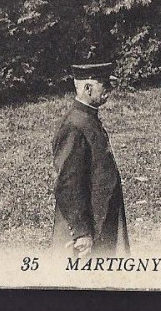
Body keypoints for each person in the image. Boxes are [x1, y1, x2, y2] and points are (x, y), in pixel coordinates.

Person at [51, 62, 130, 258]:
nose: (109, 89)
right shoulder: (74, 126)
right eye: (104, 84)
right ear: (88, 88)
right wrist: (81, 232)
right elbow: (68, 183)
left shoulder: (88, 119)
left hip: (100, 219)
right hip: (86, 230)